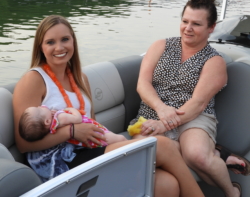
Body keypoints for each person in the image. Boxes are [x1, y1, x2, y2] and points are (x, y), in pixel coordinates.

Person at [13, 15, 204, 196]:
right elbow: (23, 144)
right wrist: (70, 132)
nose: (59, 47)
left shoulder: (81, 79)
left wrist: (114, 140)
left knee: (167, 185)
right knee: (163, 146)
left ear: (73, 42)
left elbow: (92, 124)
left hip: (92, 151)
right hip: (66, 163)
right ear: (40, 46)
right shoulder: (34, 79)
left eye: (65, 39)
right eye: (50, 42)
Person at [132, 0, 247, 197]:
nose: (188, 28)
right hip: (153, 111)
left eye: (196, 24)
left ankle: (232, 191)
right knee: (143, 155)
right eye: (185, 21)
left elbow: (198, 103)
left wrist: (164, 123)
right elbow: (143, 84)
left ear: (211, 28)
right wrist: (161, 110)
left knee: (197, 156)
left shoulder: (215, 61)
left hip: (193, 118)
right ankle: (219, 154)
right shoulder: (161, 46)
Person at [19, 105, 126, 147]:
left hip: (89, 140)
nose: (40, 106)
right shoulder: (60, 117)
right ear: (47, 121)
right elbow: (78, 119)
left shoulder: (53, 128)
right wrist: (70, 109)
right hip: (97, 135)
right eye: (39, 109)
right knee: (120, 139)